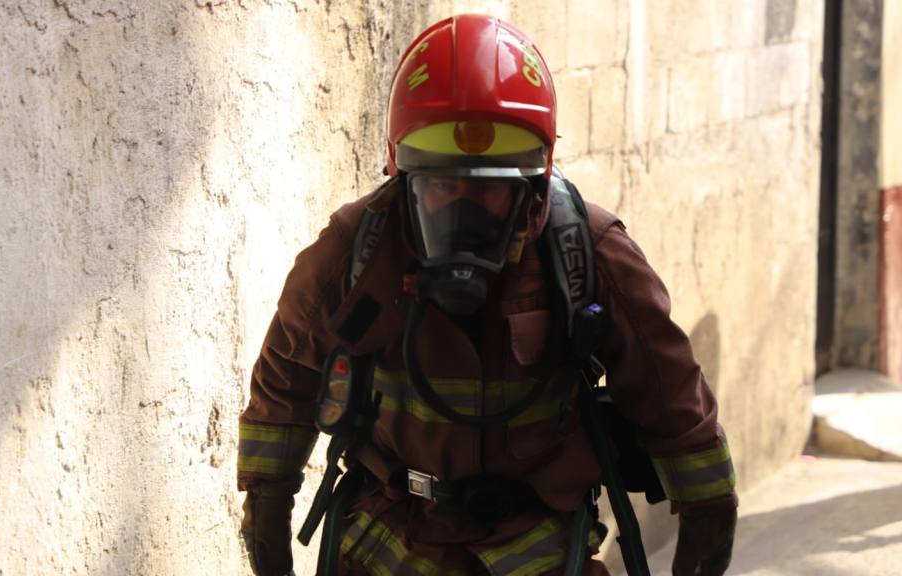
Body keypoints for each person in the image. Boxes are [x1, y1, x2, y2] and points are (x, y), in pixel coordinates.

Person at [237, 14, 737, 576]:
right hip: (387, 545)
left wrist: (708, 511)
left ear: (533, 186)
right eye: (443, 186)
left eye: (489, 190)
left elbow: (670, 391)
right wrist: (266, 508)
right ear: (404, 179)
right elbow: (283, 385)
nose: (462, 211)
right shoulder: (357, 250)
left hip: (537, 552)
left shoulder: (585, 253)